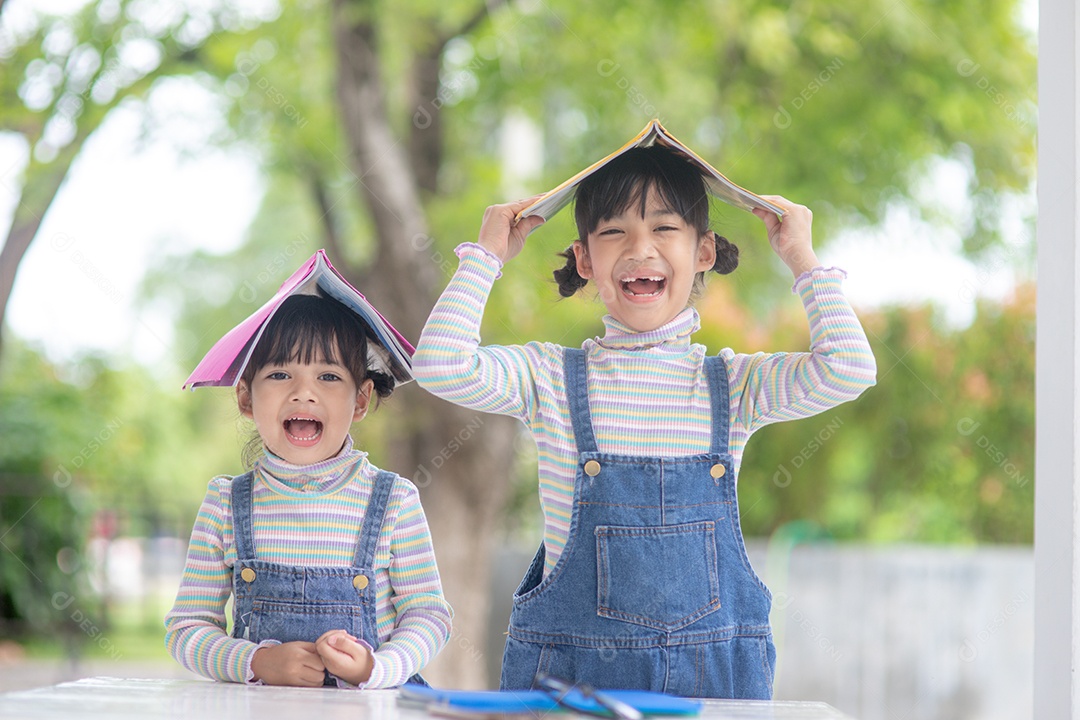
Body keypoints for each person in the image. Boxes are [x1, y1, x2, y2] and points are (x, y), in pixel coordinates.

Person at [412, 145, 876, 699]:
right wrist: (486, 255)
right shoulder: (549, 379)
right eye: (613, 232)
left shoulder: (735, 386)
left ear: (703, 250)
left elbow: (849, 368)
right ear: (585, 260)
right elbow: (439, 365)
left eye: (664, 228)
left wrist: (800, 254)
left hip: (714, 688)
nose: (640, 249)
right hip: (574, 687)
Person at [165, 291, 452, 688]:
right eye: (280, 375)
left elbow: (428, 617)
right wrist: (257, 661)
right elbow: (186, 629)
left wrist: (375, 668)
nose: (304, 392)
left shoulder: (393, 502)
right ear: (246, 398)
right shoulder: (226, 504)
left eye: (329, 376)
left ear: (361, 400)